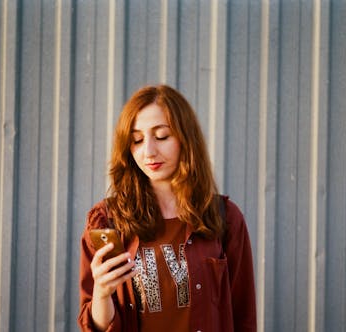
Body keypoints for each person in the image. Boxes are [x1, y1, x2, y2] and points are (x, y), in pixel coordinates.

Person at [78, 84, 256, 331]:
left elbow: (243, 317)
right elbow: (94, 326)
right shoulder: (107, 221)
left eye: (162, 136)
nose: (149, 151)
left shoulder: (224, 219)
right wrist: (102, 292)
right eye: (137, 140)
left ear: (186, 138)